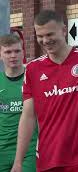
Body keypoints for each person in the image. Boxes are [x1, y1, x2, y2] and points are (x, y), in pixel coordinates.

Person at [11, 10, 78, 172]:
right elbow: (28, 116)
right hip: (47, 157)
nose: (45, 40)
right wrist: (18, 161)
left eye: (49, 34)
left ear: (63, 30)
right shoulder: (33, 69)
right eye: (40, 36)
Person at [0, 34, 37, 172]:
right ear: (0, 55)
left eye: (17, 51)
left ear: (23, 53)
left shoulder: (34, 78)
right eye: (8, 52)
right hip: (2, 150)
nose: (13, 55)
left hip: (29, 149)